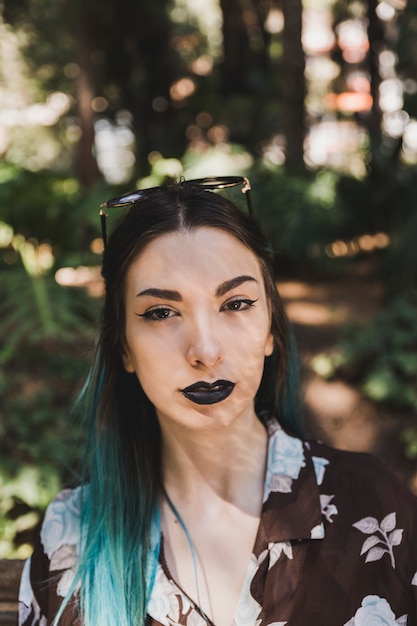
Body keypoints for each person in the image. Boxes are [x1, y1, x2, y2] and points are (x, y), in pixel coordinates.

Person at [18, 177, 417, 626]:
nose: (205, 350)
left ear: (270, 330)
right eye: (161, 312)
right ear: (123, 347)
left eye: (237, 303)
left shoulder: (374, 504)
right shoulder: (71, 534)